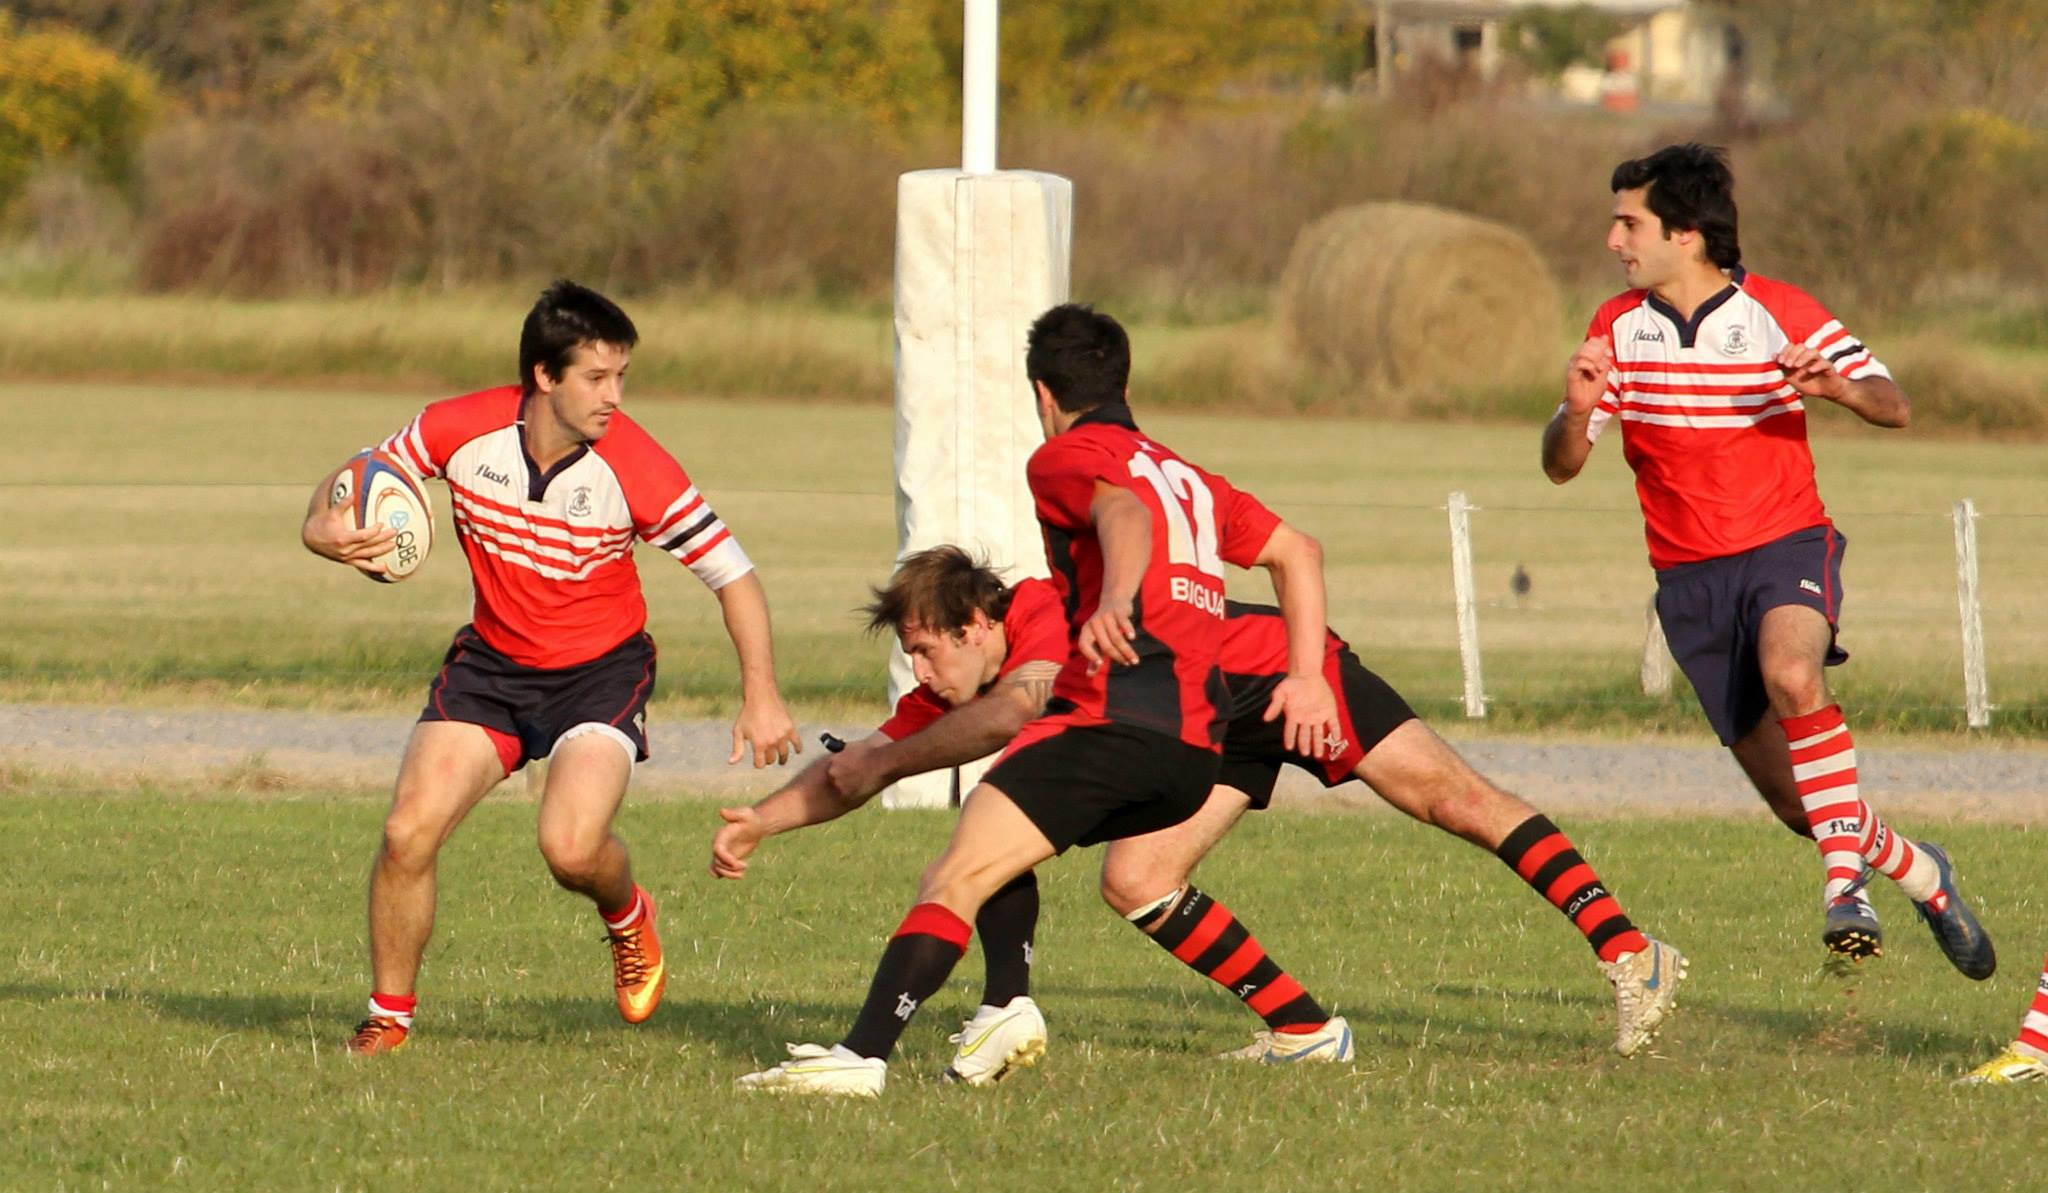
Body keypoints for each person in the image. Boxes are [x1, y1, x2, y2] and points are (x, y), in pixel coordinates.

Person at [713, 548, 1684, 1074]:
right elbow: (867, 768)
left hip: (1268, 675)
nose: (919, 674)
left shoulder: (1046, 611)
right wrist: (761, 817)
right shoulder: (953, 684)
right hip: (1198, 730)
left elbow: (1007, 711)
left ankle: (1626, 947)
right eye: (912, 660)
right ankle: (1303, 1027)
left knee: (1455, 800)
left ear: (979, 624)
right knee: (1134, 877)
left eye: (927, 651)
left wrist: (895, 754)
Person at [733, 303, 1338, 1096]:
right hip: (1196, 749)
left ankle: (863, 1056)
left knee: (953, 870)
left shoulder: (1064, 455)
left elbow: (1118, 510)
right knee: (996, 844)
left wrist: (1116, 596)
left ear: (1043, 393)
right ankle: (1003, 1005)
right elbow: (1299, 551)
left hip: (1112, 719)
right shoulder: (1190, 477)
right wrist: (1307, 674)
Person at [300, 280, 801, 1054]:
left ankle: (629, 914)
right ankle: (389, 1016)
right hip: (491, 668)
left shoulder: (637, 465)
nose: (614, 396)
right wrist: (319, 526)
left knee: (569, 848)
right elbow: (359, 475)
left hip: (598, 675)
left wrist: (761, 694)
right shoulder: (458, 427)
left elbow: (735, 575)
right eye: (597, 378)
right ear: (543, 375)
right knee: (407, 832)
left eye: (622, 376)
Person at [1540, 143, 1992, 977]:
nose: (1613, 240)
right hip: (1689, 583)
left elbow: (1894, 405)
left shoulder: (1781, 310)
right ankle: (1922, 871)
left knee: (1794, 674)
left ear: (1686, 234)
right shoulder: (1614, 327)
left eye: (1627, 222)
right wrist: (1573, 411)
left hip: (1786, 544)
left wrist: (1838, 388)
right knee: (1800, 804)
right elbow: (1562, 463)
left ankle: (1843, 890)